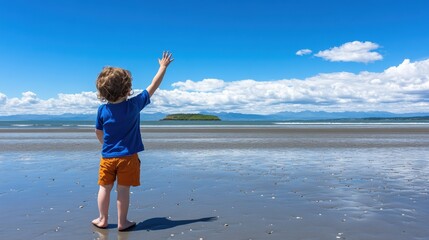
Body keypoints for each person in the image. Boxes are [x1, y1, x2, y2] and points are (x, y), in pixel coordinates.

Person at [92, 51, 174, 231]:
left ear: (102, 91)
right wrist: (163, 67)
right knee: (123, 190)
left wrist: (104, 144)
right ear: (127, 88)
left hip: (107, 157)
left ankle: (102, 219)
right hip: (128, 157)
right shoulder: (134, 105)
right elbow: (153, 85)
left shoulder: (102, 110)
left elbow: (98, 131)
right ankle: (123, 222)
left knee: (104, 188)